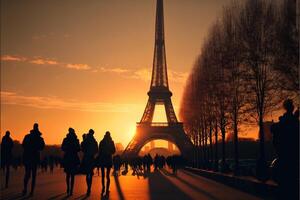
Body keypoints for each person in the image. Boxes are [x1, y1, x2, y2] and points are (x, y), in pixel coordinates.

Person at [271, 99, 299, 200]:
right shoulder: (294, 122)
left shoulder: (282, 123)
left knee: (283, 185)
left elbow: (275, 131)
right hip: (293, 156)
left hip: (283, 156)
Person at [22, 123, 45, 196]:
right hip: (35, 157)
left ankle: (25, 188)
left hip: (28, 156)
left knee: (27, 174)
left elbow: (23, 145)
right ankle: (32, 191)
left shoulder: (27, 136)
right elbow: (42, 147)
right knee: (34, 175)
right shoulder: (40, 138)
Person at [61, 128, 80, 196]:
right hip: (74, 157)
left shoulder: (66, 139)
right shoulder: (76, 140)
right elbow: (78, 149)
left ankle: (68, 188)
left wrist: (67, 149)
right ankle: (71, 189)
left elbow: (62, 148)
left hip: (67, 157)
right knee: (72, 175)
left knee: (67, 174)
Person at [98, 131, 115, 196]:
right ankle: (107, 188)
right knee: (108, 176)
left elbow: (99, 151)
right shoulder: (111, 142)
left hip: (102, 159)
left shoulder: (101, 142)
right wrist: (109, 152)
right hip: (108, 159)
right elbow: (113, 151)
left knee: (103, 175)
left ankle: (103, 187)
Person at [81, 129, 98, 196]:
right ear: (93, 134)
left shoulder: (86, 140)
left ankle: (88, 187)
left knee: (87, 173)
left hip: (86, 158)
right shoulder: (94, 141)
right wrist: (93, 153)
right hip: (91, 158)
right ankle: (89, 188)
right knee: (90, 174)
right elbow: (97, 150)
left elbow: (82, 148)